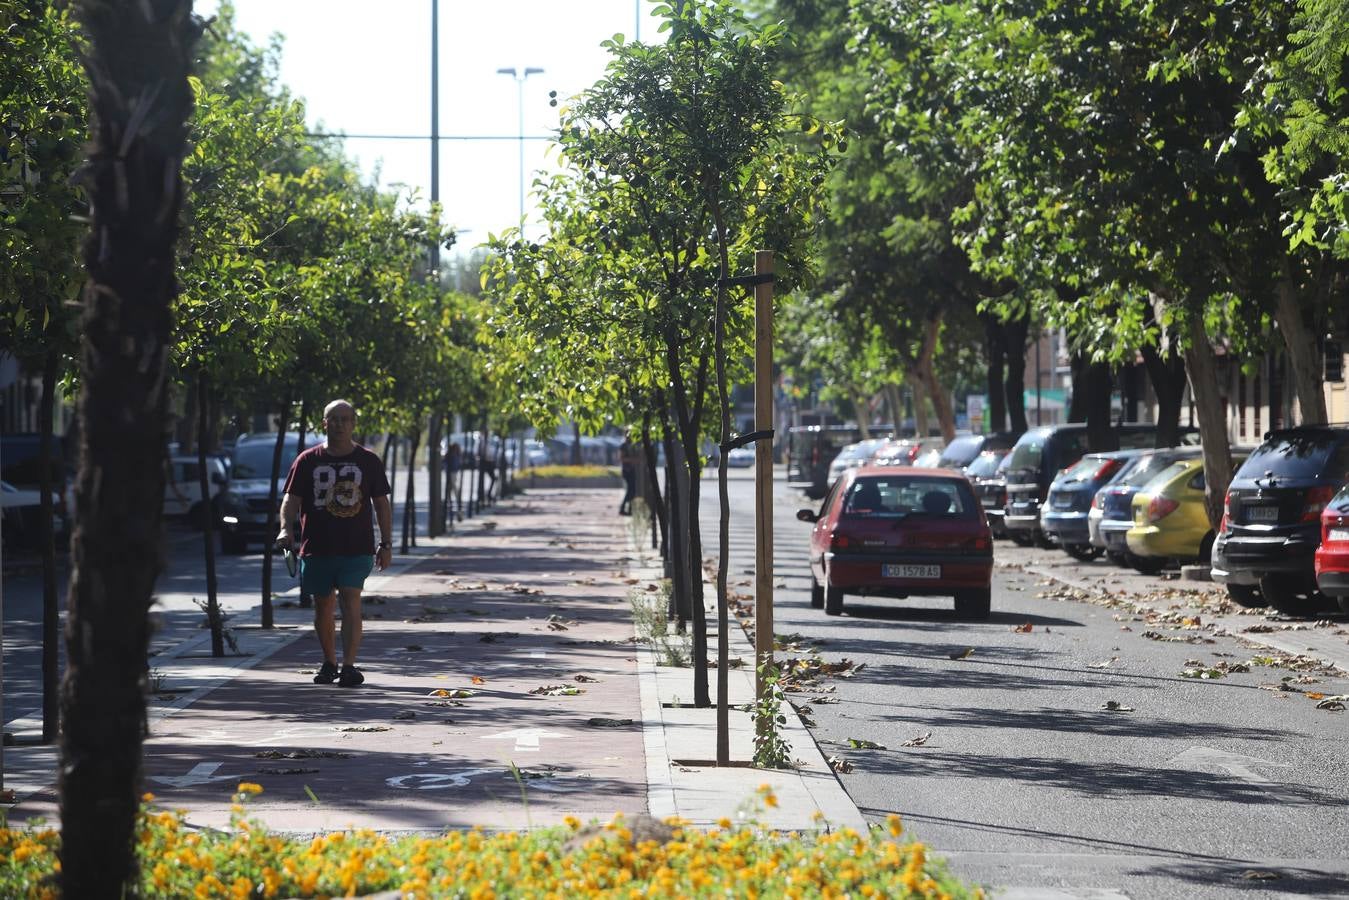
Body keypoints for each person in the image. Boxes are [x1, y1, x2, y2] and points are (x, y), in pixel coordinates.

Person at [278, 399, 393, 687]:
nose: (340, 424)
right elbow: (291, 500)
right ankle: (329, 662)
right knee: (323, 605)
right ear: (324, 423)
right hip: (317, 547)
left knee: (351, 600)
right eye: (334, 419)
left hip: (357, 546)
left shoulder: (368, 461)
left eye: (345, 419)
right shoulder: (307, 461)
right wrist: (285, 529)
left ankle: (350, 665)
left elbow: (381, 504)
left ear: (354, 423)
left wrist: (386, 543)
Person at [618, 436, 639, 516]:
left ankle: (629, 509)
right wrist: (632, 459)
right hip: (627, 470)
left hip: (632, 470)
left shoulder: (632, 445)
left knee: (632, 491)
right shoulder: (623, 446)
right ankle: (623, 508)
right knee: (630, 491)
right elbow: (621, 458)